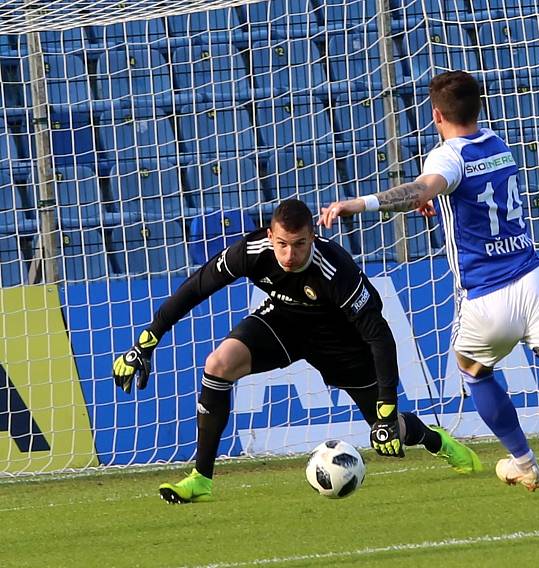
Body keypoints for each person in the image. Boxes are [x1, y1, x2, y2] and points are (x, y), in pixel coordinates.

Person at [319, 70, 539, 492]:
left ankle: (525, 463)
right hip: (535, 281)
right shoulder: (498, 145)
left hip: (487, 297)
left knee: (472, 371)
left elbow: (422, 189)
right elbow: (457, 191)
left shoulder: (446, 156)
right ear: (478, 106)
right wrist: (437, 198)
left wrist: (357, 203)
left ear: (436, 114)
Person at [112, 198, 482, 504]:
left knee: (388, 429)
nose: (289, 255)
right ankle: (201, 478)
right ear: (270, 236)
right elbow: (195, 288)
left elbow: (381, 338)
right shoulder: (250, 251)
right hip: (283, 323)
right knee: (218, 364)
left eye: (300, 244)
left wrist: (386, 409)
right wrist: (146, 342)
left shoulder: (336, 271)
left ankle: (436, 439)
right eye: (282, 244)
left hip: (342, 340)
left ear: (313, 236)